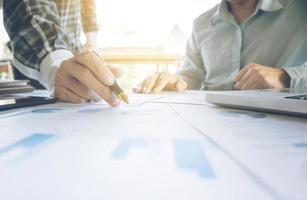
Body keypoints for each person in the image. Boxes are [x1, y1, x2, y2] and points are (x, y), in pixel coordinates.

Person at [134, 0, 307, 94]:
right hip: (209, 120)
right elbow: (191, 76)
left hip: (279, 121)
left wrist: (286, 77)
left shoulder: (300, 8)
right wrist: (175, 80)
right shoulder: (201, 23)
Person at [4, 0, 121, 106]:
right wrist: (56, 63)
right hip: (35, 61)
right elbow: (30, 6)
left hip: (75, 56)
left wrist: (91, 41)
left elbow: (88, 4)